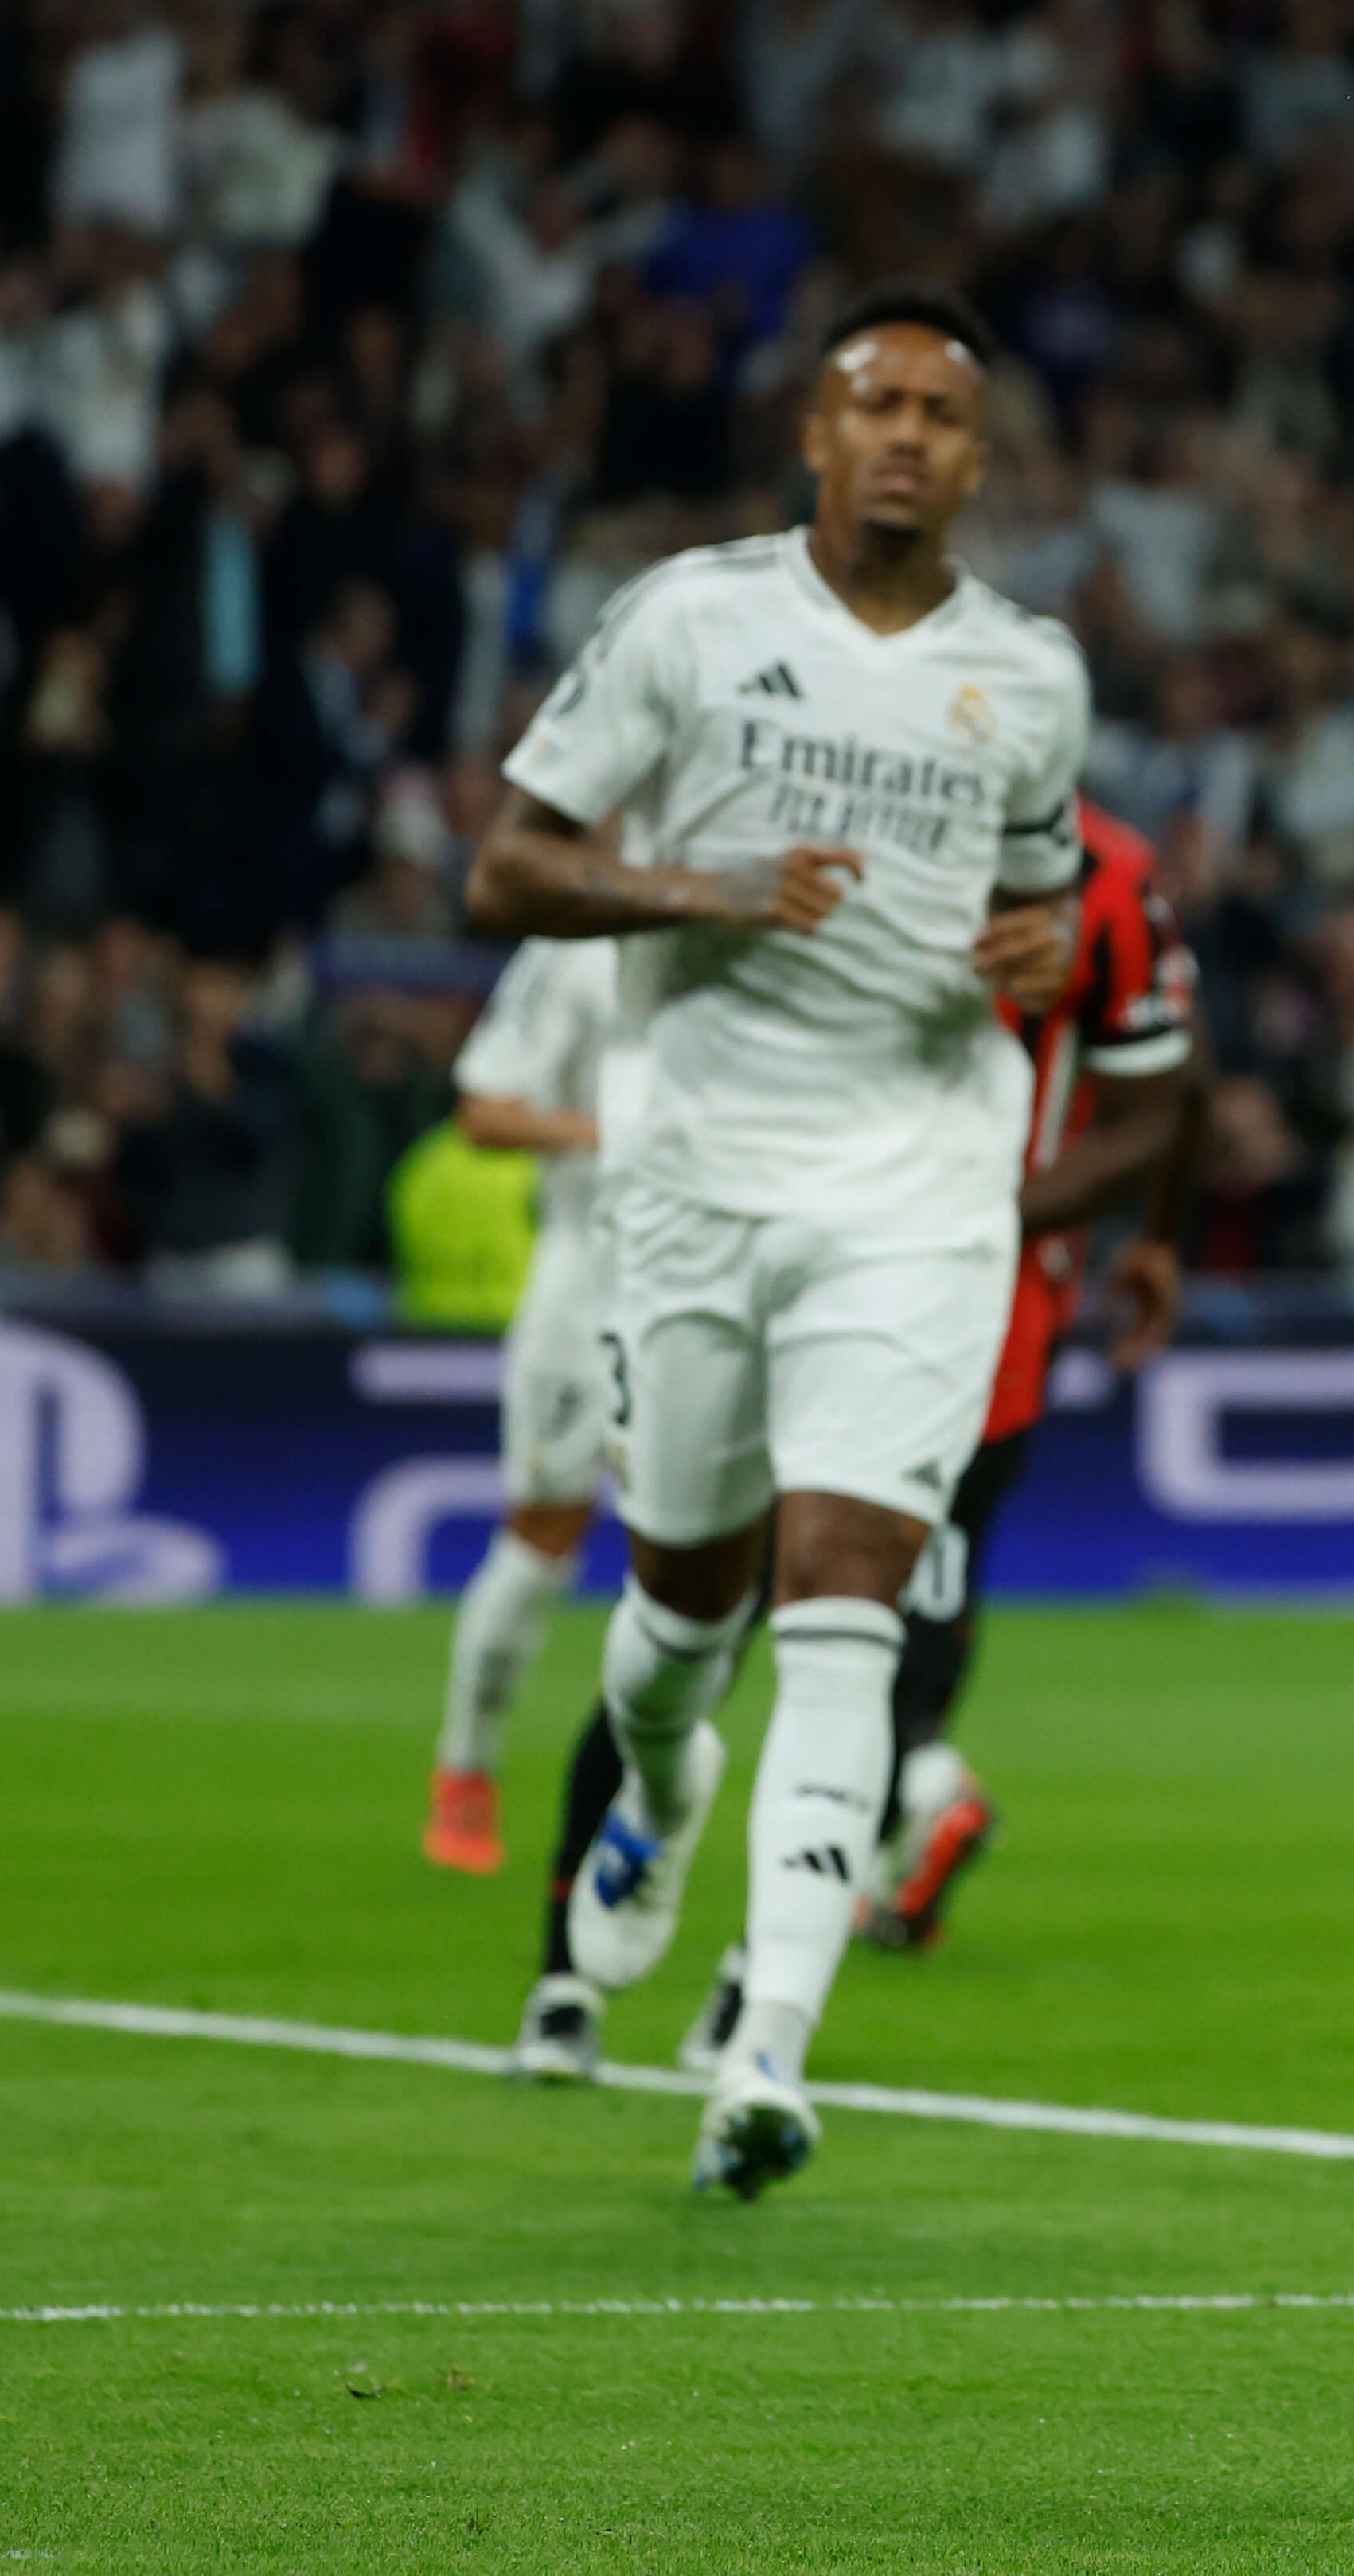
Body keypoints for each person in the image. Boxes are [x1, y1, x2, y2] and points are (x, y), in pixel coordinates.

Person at [462, 283, 1091, 2198]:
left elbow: (1046, 906)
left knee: (844, 1602)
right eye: (873, 401)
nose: (905, 434)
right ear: (813, 435)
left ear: (979, 462)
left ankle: (768, 2052)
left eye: (941, 413)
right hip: (699, 1175)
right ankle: (657, 1787)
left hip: (912, 1185)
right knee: (680, 1622)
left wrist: (1039, 951)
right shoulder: (688, 620)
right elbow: (506, 862)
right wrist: (698, 884)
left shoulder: (1033, 678)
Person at [509, 800, 1204, 2081]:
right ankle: (566, 1971)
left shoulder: (1112, 880)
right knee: (682, 1637)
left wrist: (1136, 1232)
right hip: (772, 1287)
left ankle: (758, 1997)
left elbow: (1159, 1080)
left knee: (893, 1674)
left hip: (985, 1336)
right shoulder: (824, 827)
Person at [417, 932, 630, 1875]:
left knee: (705, 1561)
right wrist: (603, 1135)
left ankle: (641, 1793)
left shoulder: (756, 916)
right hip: (588, 1276)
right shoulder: (573, 946)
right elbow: (485, 1112)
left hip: (711, 1274)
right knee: (545, 1532)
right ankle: (466, 1769)